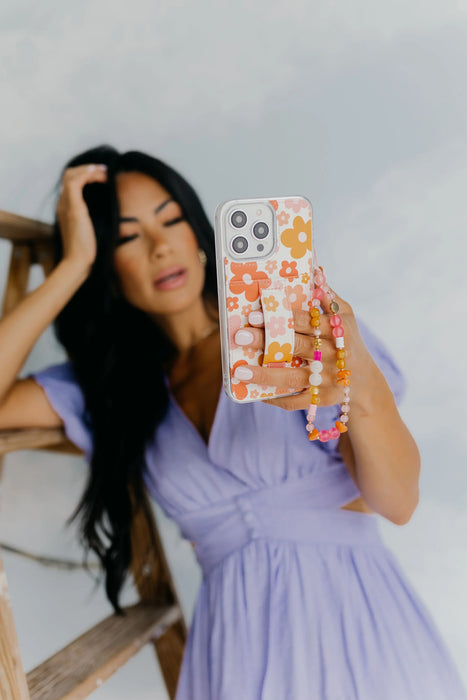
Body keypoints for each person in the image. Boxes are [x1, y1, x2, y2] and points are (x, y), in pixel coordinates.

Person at [0, 144, 465, 700]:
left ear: (200, 231)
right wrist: (71, 267)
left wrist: (360, 388)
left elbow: (398, 502)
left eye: (172, 219)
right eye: (126, 237)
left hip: (357, 627)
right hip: (233, 648)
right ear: (105, 264)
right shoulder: (111, 394)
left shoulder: (289, 336)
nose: (160, 246)